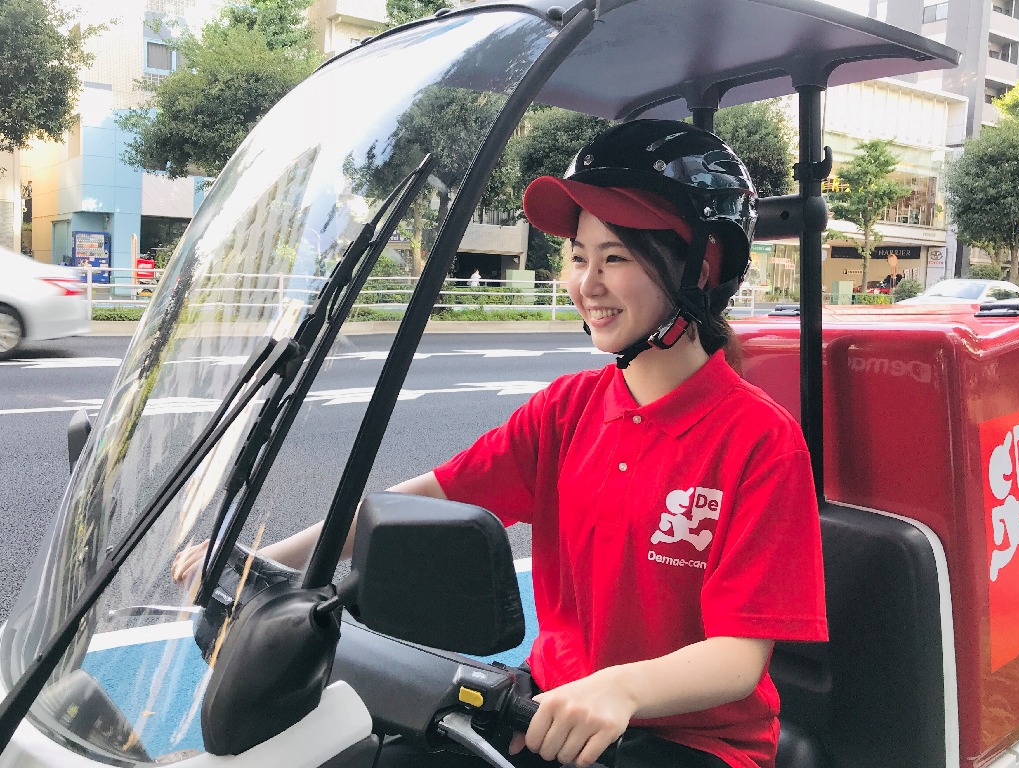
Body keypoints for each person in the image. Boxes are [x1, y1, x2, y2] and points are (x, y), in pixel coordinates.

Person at [174, 120, 827, 768]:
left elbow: (739, 657)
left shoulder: (759, 442)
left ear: (701, 266)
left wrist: (621, 689)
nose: (586, 284)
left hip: (690, 745)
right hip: (547, 709)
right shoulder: (568, 410)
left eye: (616, 257)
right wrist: (260, 561)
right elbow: (415, 502)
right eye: (578, 256)